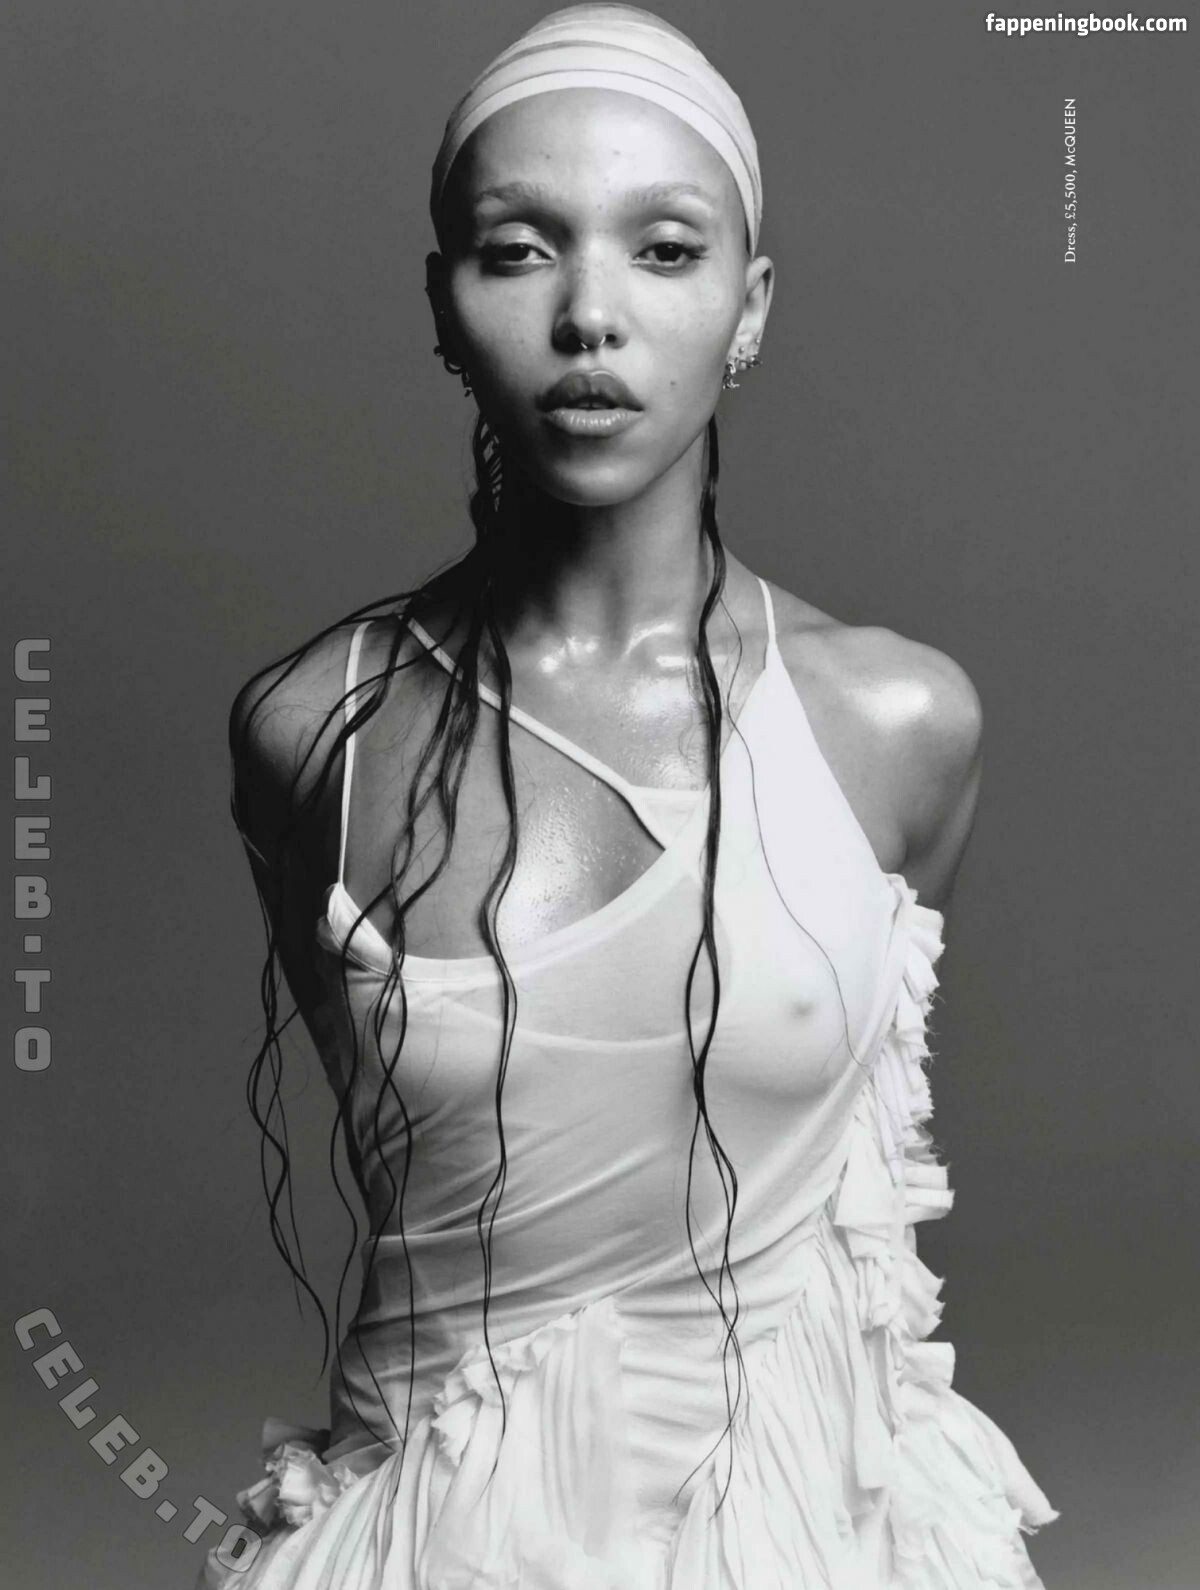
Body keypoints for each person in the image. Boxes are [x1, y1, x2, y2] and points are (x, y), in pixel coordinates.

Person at [201, 5, 1059, 1585]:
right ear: (444, 304)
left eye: (665, 252)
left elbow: (867, 1200)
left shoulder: (899, 724)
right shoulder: (313, 732)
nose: (589, 316)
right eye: (519, 252)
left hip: (819, 1539)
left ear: (750, 307)